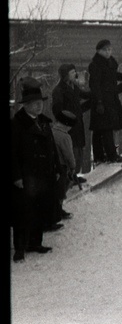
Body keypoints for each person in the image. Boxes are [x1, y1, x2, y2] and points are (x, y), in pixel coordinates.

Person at [11, 79, 59, 262]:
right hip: (25, 175)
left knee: (39, 208)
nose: (39, 106)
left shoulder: (44, 123)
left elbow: (51, 148)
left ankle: (35, 242)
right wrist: (16, 176)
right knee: (22, 212)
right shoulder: (16, 124)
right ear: (27, 105)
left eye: (41, 103)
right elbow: (12, 153)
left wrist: (55, 167)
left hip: (42, 175)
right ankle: (20, 248)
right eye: (35, 104)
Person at [88, 39, 122, 164]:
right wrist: (99, 101)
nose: (108, 52)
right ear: (99, 51)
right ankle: (110, 155)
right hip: (102, 100)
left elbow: (113, 75)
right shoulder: (96, 65)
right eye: (105, 50)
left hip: (110, 99)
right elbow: (95, 84)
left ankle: (100, 156)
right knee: (105, 128)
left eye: (109, 49)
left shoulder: (110, 63)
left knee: (101, 128)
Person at [51, 63, 90, 183]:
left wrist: (97, 94)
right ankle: (68, 177)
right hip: (67, 127)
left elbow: (85, 95)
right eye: (72, 72)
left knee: (78, 150)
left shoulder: (74, 87)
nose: (75, 74)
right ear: (66, 75)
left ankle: (74, 176)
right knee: (69, 151)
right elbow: (57, 109)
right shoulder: (59, 90)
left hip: (77, 124)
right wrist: (67, 121)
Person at [51, 109, 78, 223]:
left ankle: (53, 210)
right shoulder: (65, 137)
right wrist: (72, 166)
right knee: (61, 190)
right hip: (61, 167)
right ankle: (58, 210)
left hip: (49, 166)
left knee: (52, 190)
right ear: (67, 126)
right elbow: (68, 154)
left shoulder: (50, 131)